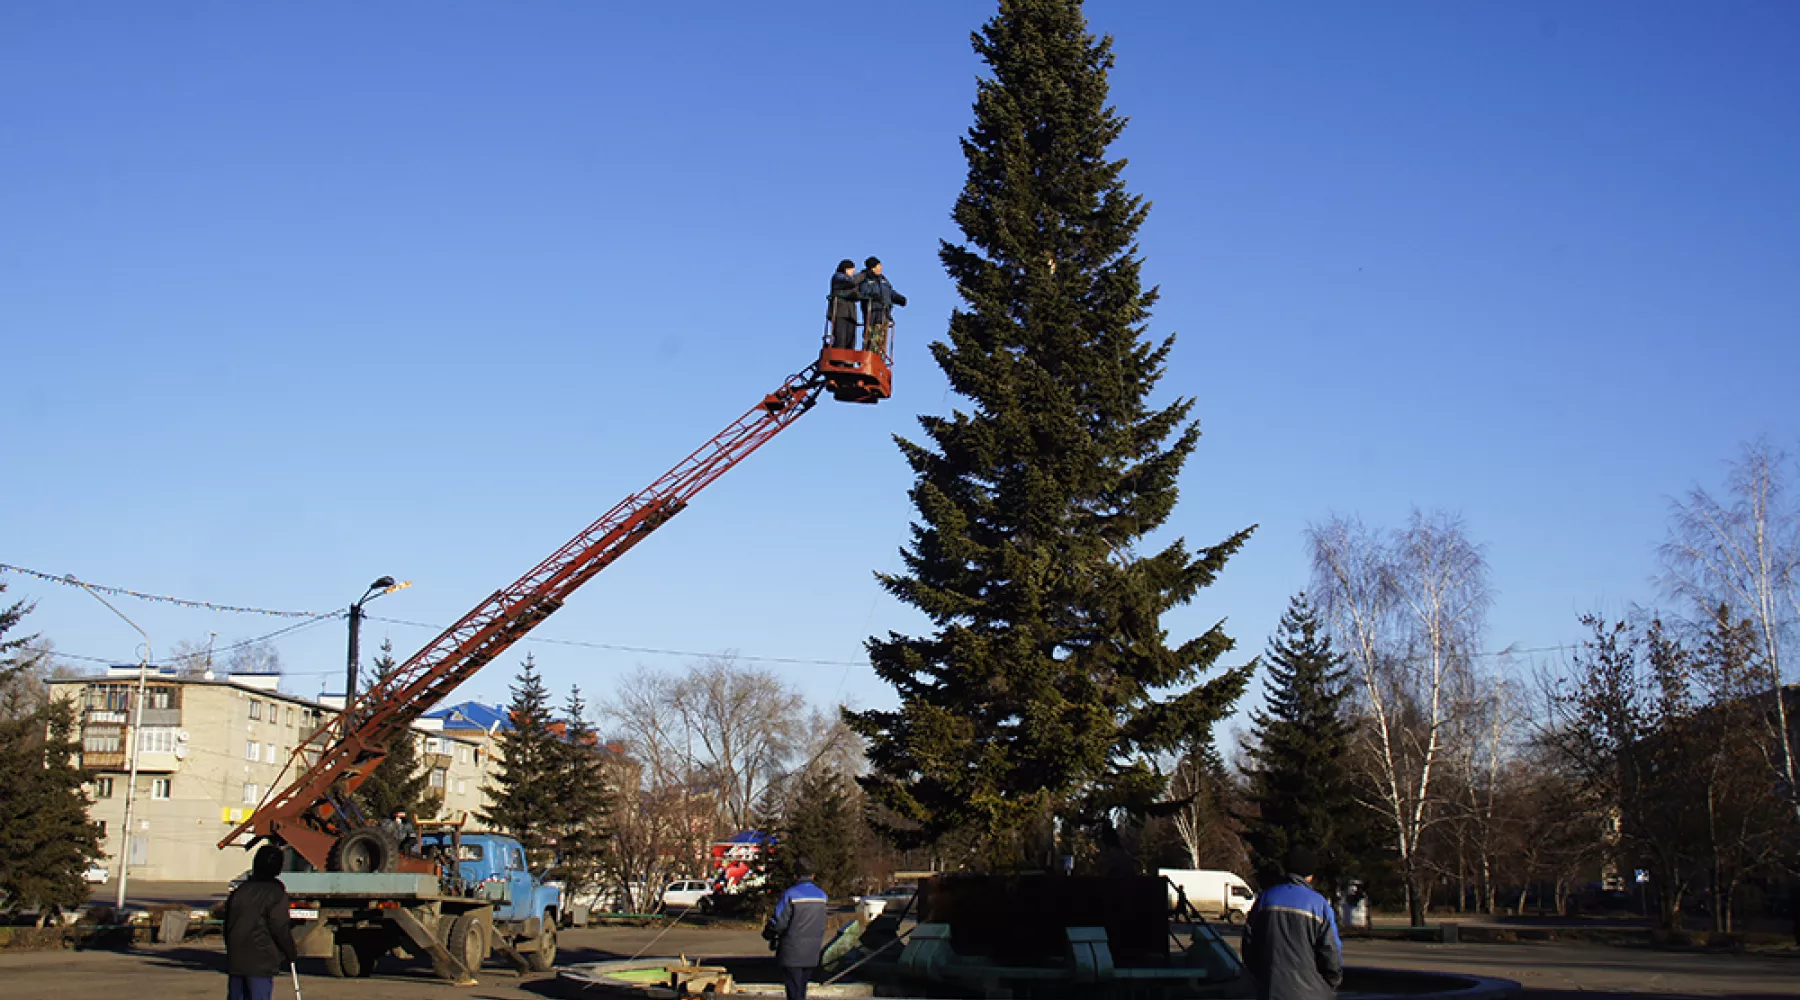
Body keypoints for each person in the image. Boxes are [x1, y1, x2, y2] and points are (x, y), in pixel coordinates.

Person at [1239, 846, 1343, 1000]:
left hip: (1270, 989)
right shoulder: (1318, 904)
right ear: (1310, 875)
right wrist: (1332, 980)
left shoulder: (1265, 899)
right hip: (1312, 992)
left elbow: (1249, 944)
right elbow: (1330, 950)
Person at [224, 844, 299, 1000]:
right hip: (261, 959)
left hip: (236, 958)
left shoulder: (240, 891)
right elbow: (279, 926)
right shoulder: (276, 893)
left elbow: (227, 924)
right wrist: (290, 950)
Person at [762, 857, 829, 1000]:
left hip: (791, 950)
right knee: (802, 989)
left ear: (796, 875)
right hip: (812, 951)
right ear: (813, 875)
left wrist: (769, 933)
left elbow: (779, 922)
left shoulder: (790, 895)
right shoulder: (822, 896)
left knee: (793, 991)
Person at [855, 256, 906, 352]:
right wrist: (873, 296)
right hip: (872, 312)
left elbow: (890, 292)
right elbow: (863, 291)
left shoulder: (883, 280)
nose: (881, 268)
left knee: (881, 337)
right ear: (873, 268)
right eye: (879, 266)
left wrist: (899, 298)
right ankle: (868, 353)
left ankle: (879, 355)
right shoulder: (866, 279)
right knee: (871, 336)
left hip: (884, 312)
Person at [826, 259, 861, 349]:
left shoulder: (852, 282)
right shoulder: (838, 277)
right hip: (840, 312)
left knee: (851, 338)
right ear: (845, 269)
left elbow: (857, 293)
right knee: (841, 337)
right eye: (851, 269)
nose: (853, 271)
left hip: (851, 314)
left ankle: (848, 360)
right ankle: (839, 359)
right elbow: (849, 282)